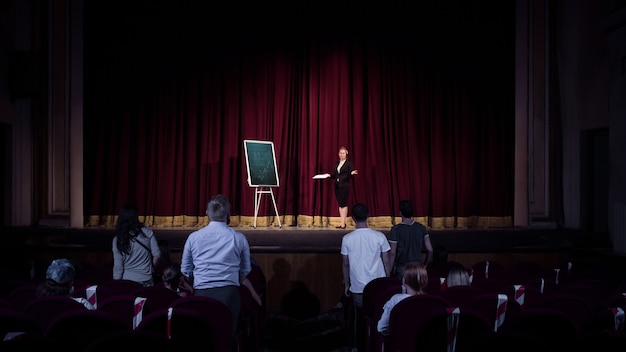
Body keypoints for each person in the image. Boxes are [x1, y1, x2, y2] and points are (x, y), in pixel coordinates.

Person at [181, 194, 252, 335]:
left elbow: (185, 270)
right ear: (228, 214)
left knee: (204, 337)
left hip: (201, 293)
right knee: (227, 336)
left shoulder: (193, 238)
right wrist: (235, 281)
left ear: (207, 214)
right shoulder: (238, 238)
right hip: (230, 293)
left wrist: (197, 282)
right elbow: (245, 269)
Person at [341, 203, 391, 351]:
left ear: (352, 218)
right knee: (379, 316)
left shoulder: (347, 239)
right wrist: (388, 280)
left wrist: (346, 285)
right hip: (379, 286)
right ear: (368, 216)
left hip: (358, 287)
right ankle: (377, 345)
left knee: (360, 319)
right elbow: (386, 260)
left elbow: (345, 263)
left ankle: (359, 346)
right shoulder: (379, 236)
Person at [112, 203, 161, 286]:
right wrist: (151, 269)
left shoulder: (118, 239)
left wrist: (117, 284)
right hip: (146, 279)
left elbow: (118, 266)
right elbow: (157, 255)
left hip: (127, 283)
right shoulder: (147, 232)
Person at [376, 262, 428, 335]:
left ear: (404, 280)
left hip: (399, 342)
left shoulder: (396, 299)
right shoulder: (428, 301)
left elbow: (381, 327)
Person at [388, 200, 433, 279]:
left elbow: (392, 253)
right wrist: (425, 265)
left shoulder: (396, 230)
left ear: (400, 213)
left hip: (402, 268)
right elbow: (430, 250)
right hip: (418, 267)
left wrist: (389, 270)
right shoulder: (421, 228)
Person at [319, 146, 358, 229]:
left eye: (343, 153)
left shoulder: (348, 164)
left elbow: (350, 174)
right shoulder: (336, 164)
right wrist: (329, 176)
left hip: (344, 186)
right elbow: (335, 175)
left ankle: (343, 223)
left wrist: (352, 173)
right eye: (340, 153)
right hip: (337, 186)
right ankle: (342, 222)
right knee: (340, 204)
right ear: (338, 154)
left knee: (343, 204)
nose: (342, 155)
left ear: (346, 154)